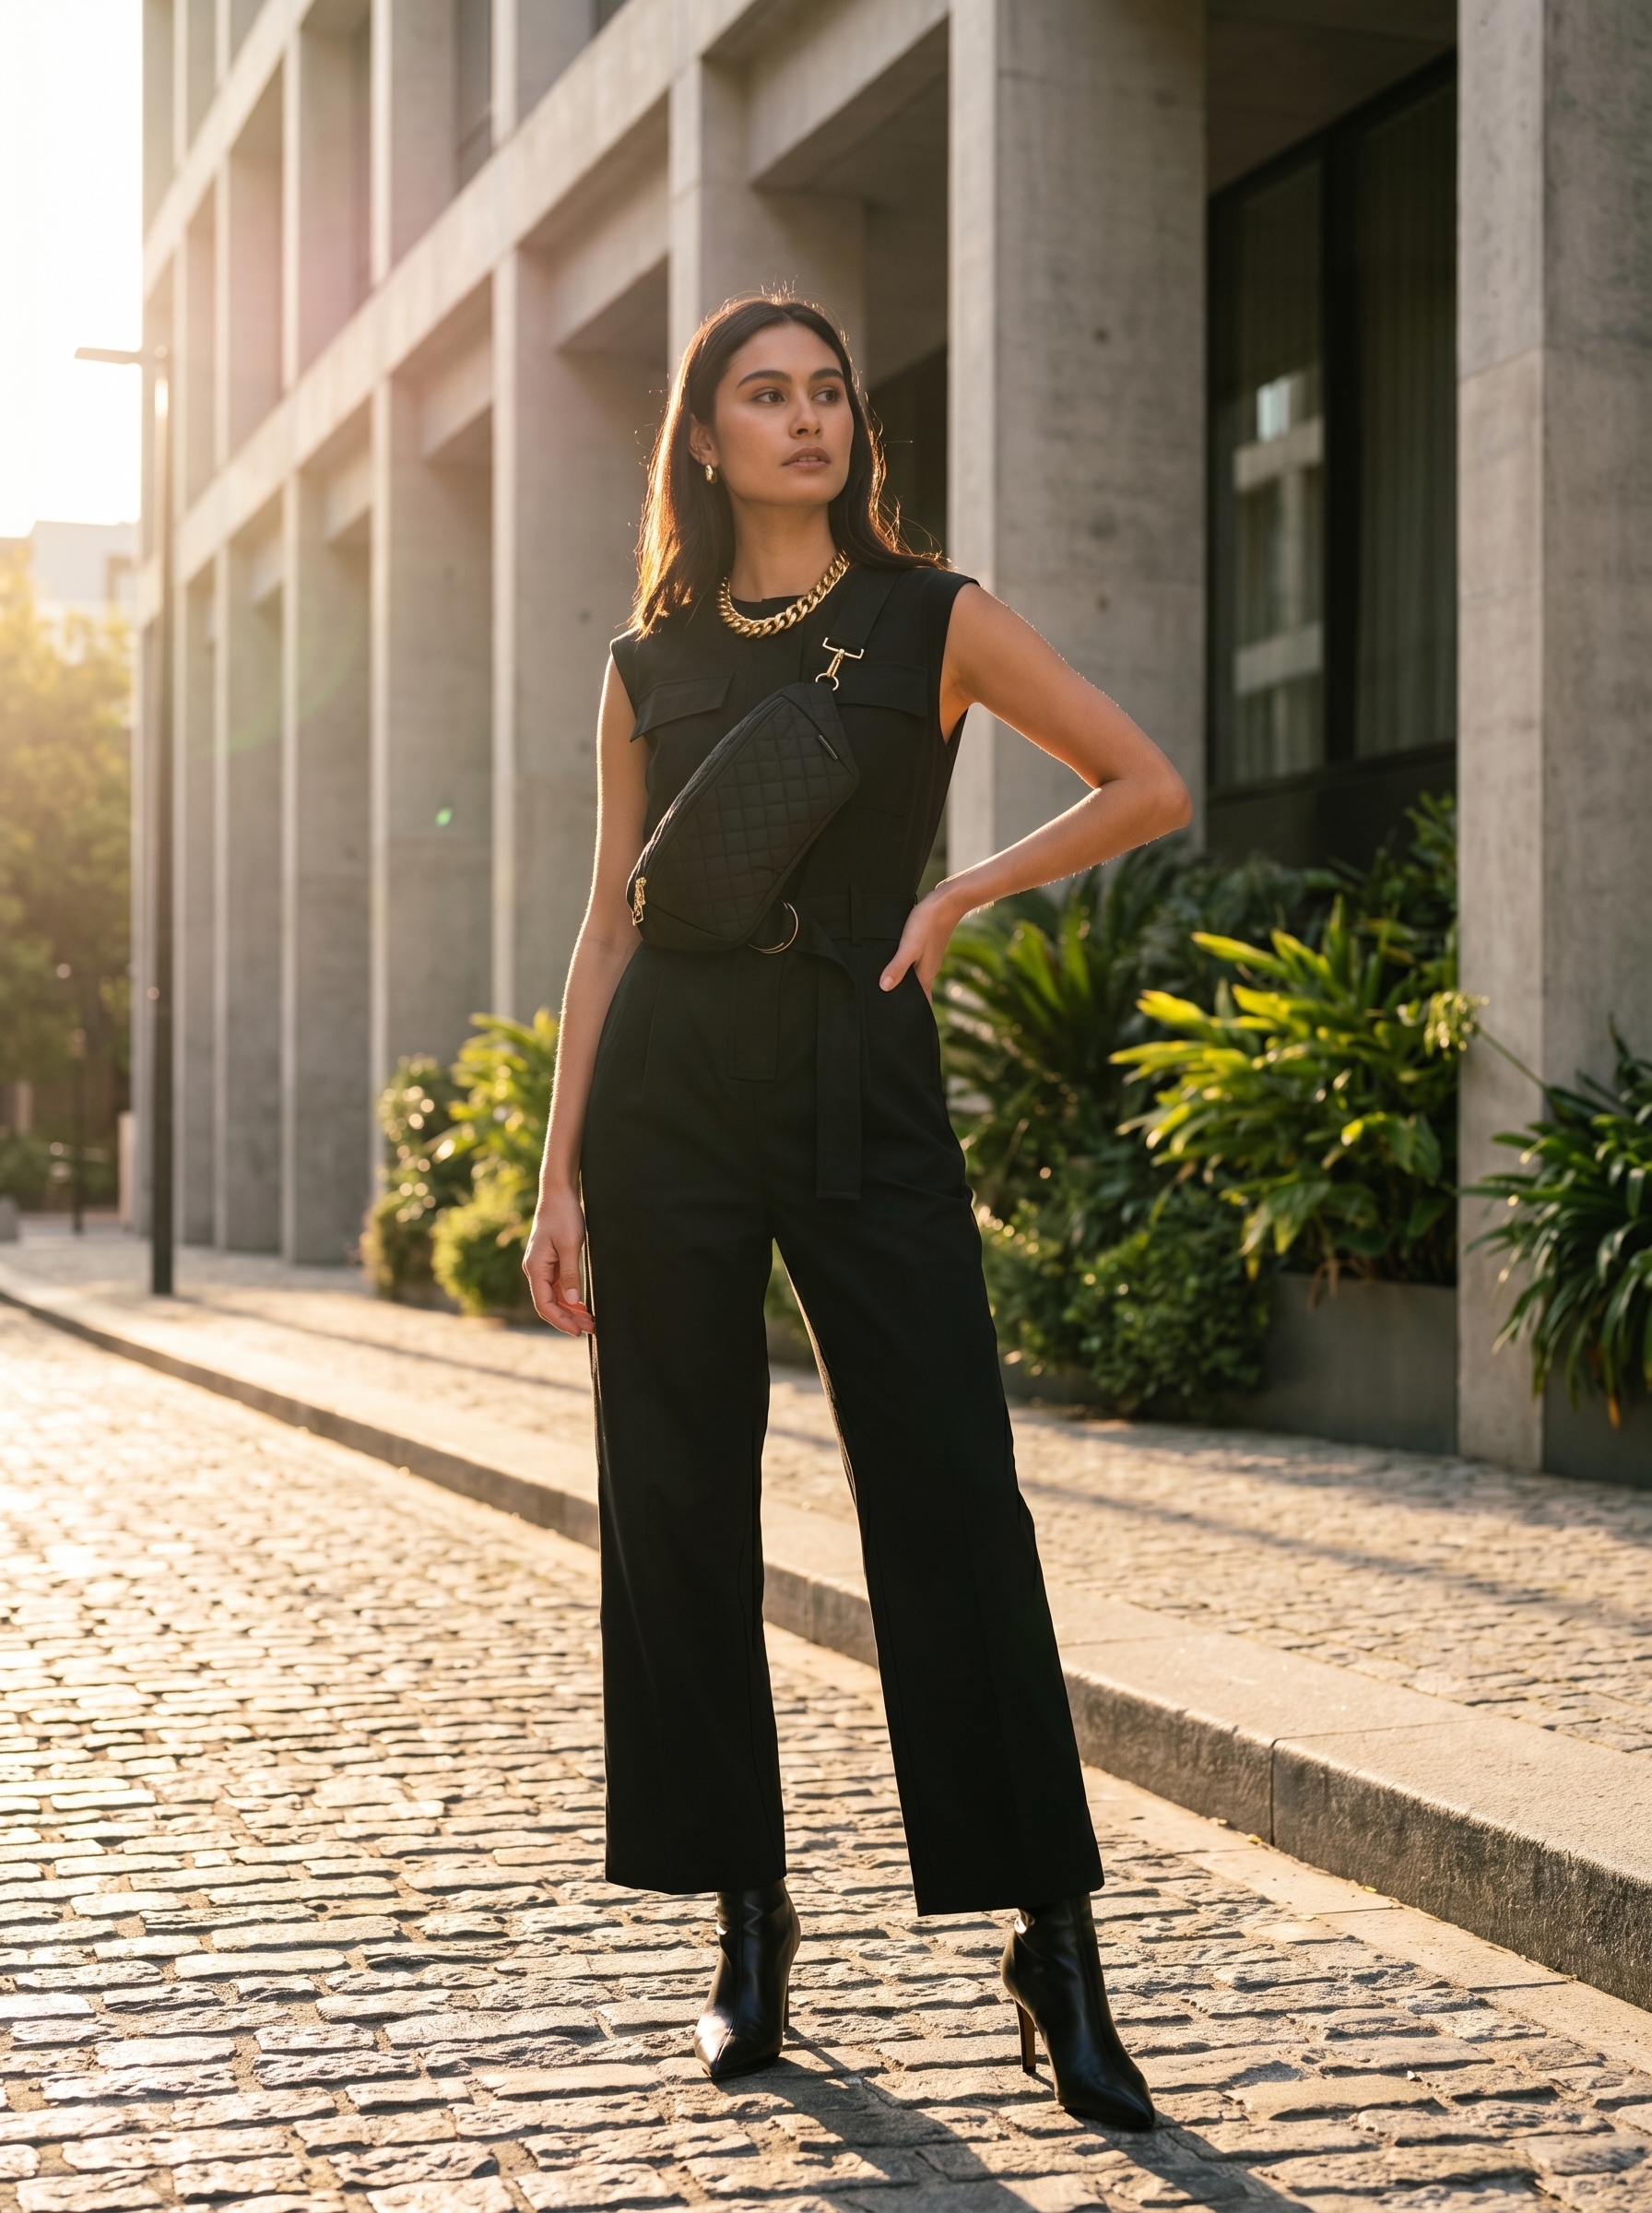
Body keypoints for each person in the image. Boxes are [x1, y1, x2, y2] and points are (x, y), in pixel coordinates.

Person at [523, 293, 1189, 2127]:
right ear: (706, 438)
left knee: (952, 1495)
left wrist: (961, 891)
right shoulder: (642, 661)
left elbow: (1143, 781)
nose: (805, 419)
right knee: (674, 1501)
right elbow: (606, 922)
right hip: (668, 1094)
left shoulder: (929, 615)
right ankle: (745, 1916)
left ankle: (1051, 1947)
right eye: (765, 394)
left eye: (825, 393)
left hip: (863, 1080)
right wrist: (557, 1171)